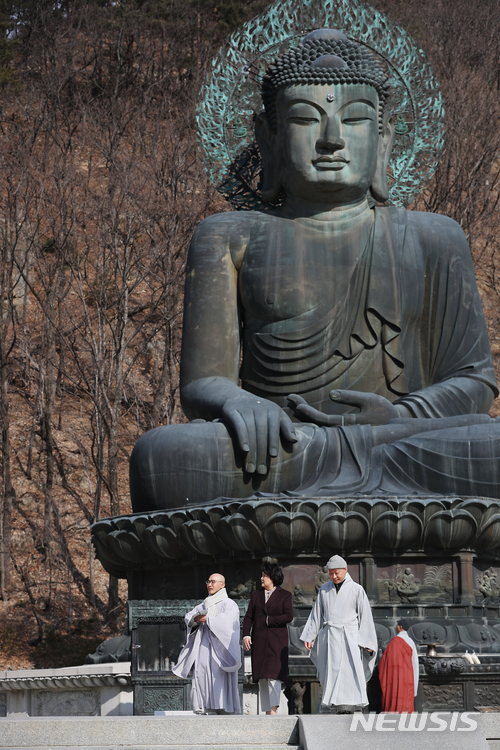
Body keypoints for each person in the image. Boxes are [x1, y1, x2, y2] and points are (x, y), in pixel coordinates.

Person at [129, 29, 499, 512]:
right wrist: (240, 403)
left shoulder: (434, 236)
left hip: (402, 438)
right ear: (270, 137)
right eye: (305, 119)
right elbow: (203, 381)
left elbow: (475, 383)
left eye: (355, 119)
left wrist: (399, 415)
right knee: (163, 457)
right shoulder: (229, 235)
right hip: (283, 445)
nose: (330, 140)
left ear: (383, 140)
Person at [300, 555, 377, 713]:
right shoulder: (324, 589)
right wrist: (310, 635)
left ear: (345, 570)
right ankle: (334, 704)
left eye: (337, 573)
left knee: (349, 671)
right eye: (331, 573)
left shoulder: (356, 589)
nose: (334, 576)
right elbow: (317, 613)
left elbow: (365, 616)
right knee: (332, 670)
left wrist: (368, 642)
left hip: (349, 636)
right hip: (329, 635)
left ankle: (349, 706)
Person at [172, 573, 241, 714]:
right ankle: (203, 707)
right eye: (208, 581)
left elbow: (229, 622)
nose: (209, 584)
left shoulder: (229, 604)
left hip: (221, 650)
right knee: (200, 673)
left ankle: (223, 707)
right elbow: (189, 617)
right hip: (203, 646)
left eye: (213, 581)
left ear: (222, 585)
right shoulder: (204, 604)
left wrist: (208, 619)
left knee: (219, 677)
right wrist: (196, 620)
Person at [242, 561, 294, 715]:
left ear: (273, 577)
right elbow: (248, 616)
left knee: (274, 676)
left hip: (276, 642)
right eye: (262, 575)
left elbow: (289, 616)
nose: (262, 578)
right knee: (262, 677)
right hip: (259, 641)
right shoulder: (256, 595)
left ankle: (273, 709)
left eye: (264, 576)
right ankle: (266, 711)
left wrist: (269, 620)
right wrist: (245, 634)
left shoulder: (285, 595)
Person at [378, 619, 419, 713]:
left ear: (401, 627)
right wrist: (415, 689)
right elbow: (415, 665)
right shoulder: (411, 642)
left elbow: (383, 663)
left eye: (397, 625)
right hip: (407, 678)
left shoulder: (393, 642)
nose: (396, 627)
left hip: (394, 678)